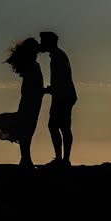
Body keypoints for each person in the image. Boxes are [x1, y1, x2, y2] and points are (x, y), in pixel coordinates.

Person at [0, 37, 44, 168]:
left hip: (30, 100)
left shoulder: (29, 65)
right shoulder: (32, 66)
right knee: (27, 130)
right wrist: (45, 91)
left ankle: (25, 159)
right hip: (31, 101)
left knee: (26, 130)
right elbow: (34, 86)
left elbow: (33, 86)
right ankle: (26, 160)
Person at [40, 31, 77, 167]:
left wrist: (47, 90)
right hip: (63, 96)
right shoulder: (58, 56)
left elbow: (61, 80)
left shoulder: (58, 57)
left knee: (58, 127)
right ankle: (62, 159)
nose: (41, 44)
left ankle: (62, 160)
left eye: (43, 41)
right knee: (60, 127)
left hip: (63, 96)